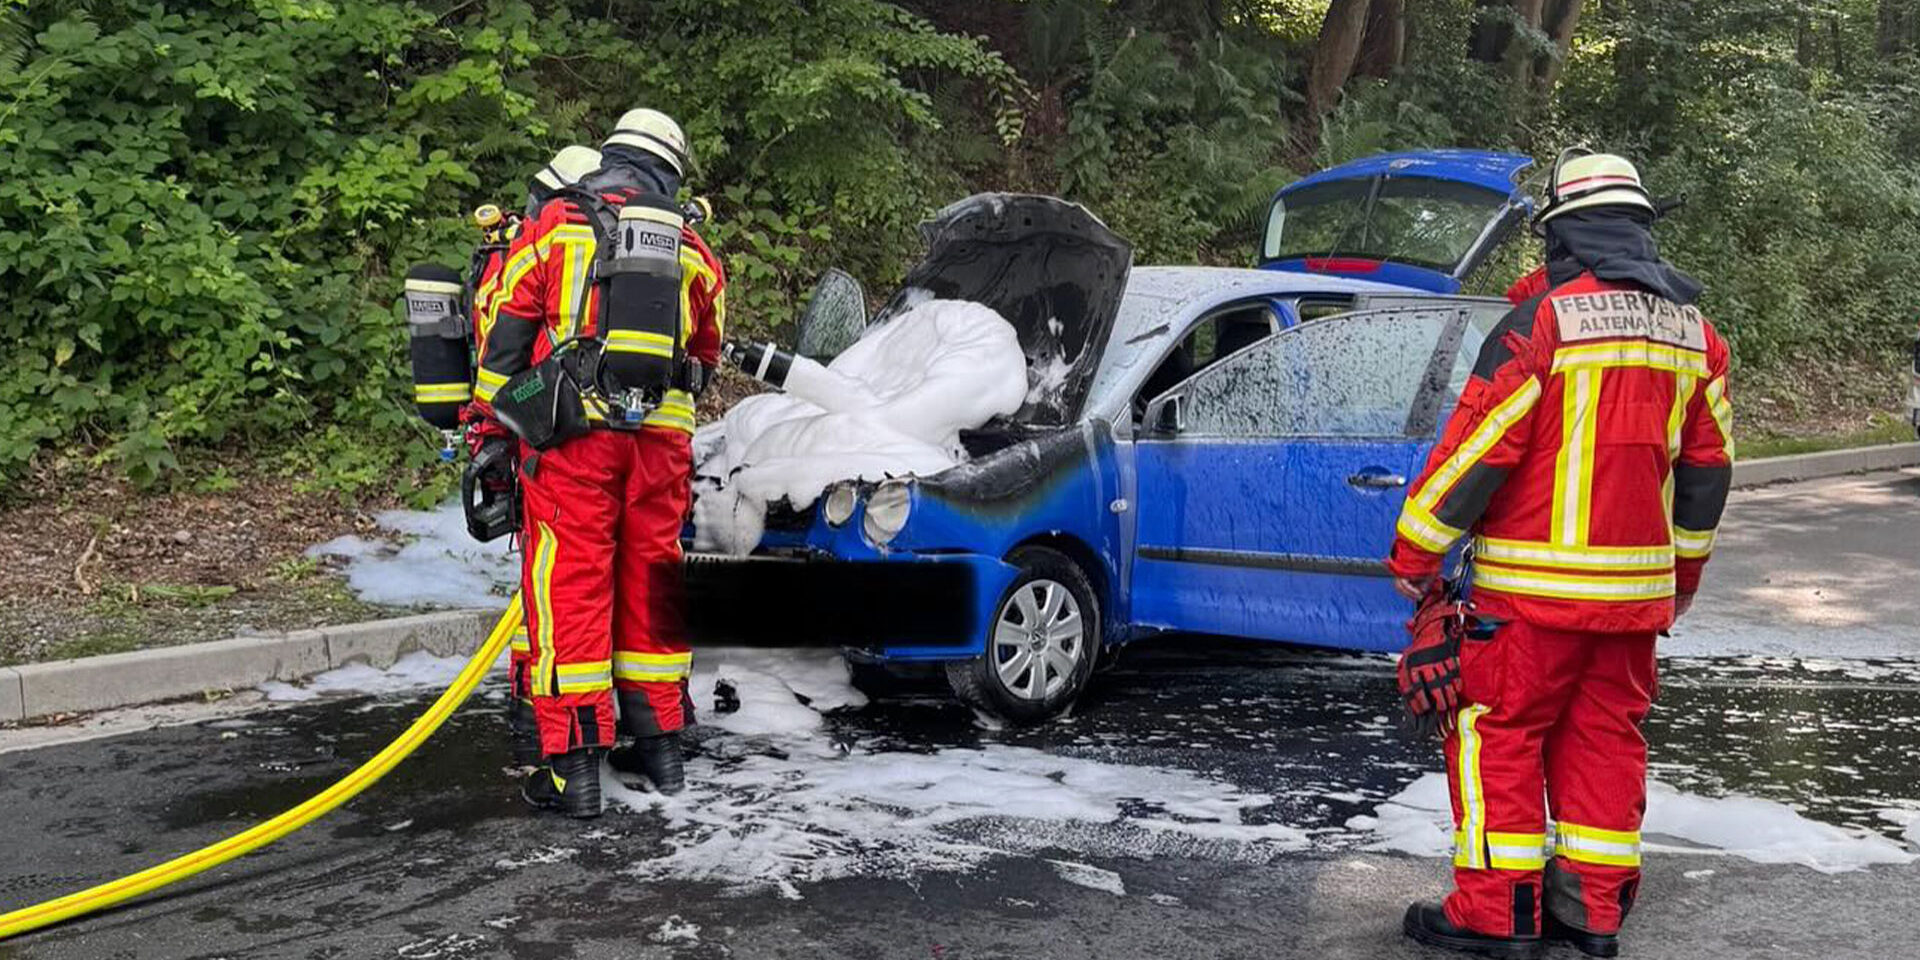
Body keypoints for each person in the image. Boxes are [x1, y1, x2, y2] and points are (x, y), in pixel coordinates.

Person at [1388, 149, 1734, 959]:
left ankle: (1496, 915)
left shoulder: (1543, 321)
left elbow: (1481, 448)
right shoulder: (1697, 335)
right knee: (1606, 742)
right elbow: (1708, 473)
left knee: (1498, 737)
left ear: (1563, 234)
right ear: (1639, 228)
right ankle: (1591, 914)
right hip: (1634, 608)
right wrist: (1681, 578)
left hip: (1527, 602)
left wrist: (1415, 552)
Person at [472, 109, 725, 816]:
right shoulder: (693, 248)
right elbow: (705, 356)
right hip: (662, 447)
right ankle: (661, 749)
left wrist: (499, 421)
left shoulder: (556, 225)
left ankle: (573, 770)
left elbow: (503, 334)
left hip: (574, 439)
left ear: (611, 156)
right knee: (652, 582)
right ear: (671, 172)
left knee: (571, 583)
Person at [461, 144, 603, 768]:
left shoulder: (522, 250)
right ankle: (546, 716)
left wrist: (489, 428)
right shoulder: (557, 248)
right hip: (543, 430)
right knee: (558, 582)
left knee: (545, 579)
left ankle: (531, 704)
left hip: (527, 429)